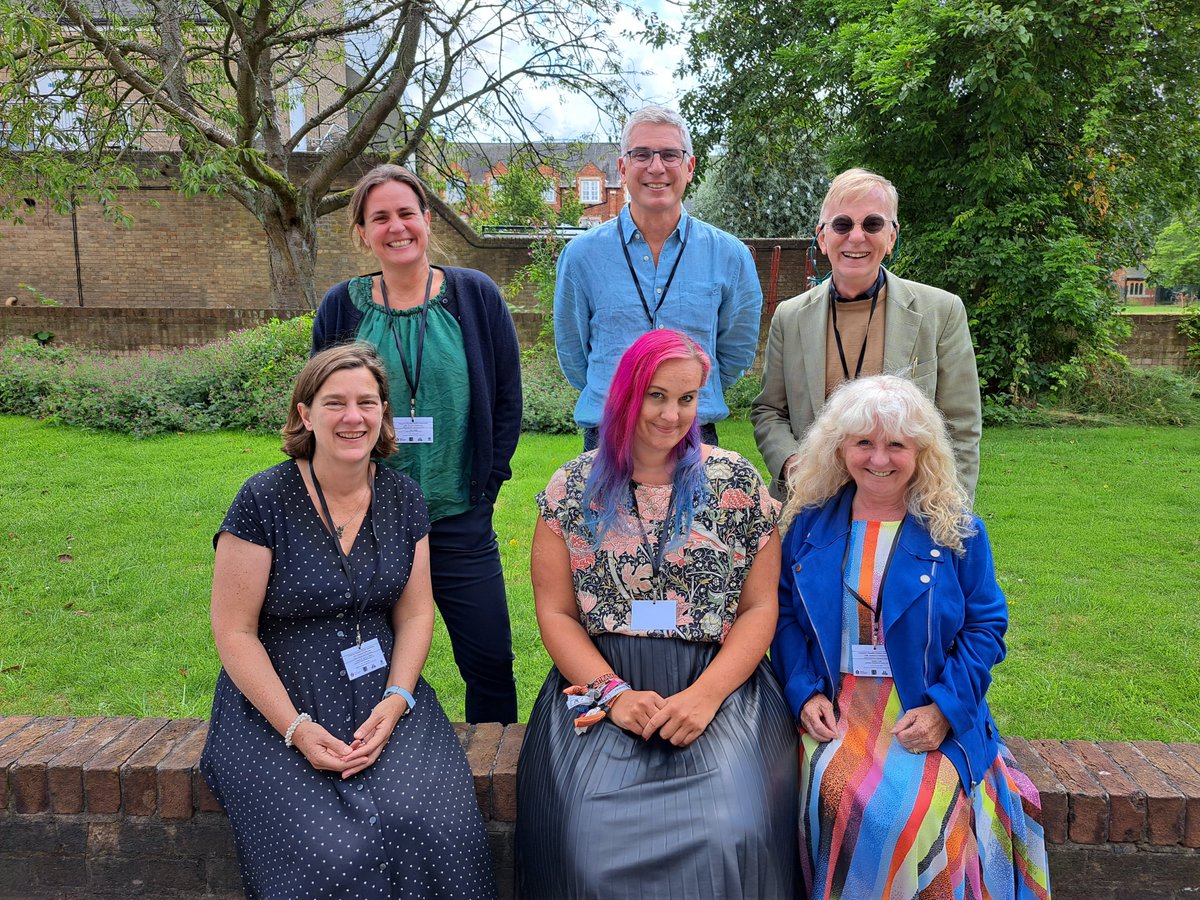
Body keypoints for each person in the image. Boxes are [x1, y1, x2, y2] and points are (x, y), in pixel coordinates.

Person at [200, 344, 497, 898]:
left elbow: (413, 613)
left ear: (384, 412)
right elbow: (233, 631)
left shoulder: (404, 497)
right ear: (304, 414)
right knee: (332, 851)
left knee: (433, 826)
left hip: (382, 691)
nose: (352, 417)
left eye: (367, 402)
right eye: (334, 402)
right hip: (279, 701)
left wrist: (398, 699)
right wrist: (295, 727)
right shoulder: (263, 499)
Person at [517, 329, 798, 898]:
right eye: (657, 395)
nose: (673, 415)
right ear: (626, 394)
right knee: (586, 843)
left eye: (688, 398)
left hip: (718, 686)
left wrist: (705, 696)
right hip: (598, 684)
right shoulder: (570, 489)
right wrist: (612, 695)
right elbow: (556, 613)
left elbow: (760, 605)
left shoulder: (736, 483)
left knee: (729, 831)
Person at [771, 374, 1050, 899]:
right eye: (864, 443)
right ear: (840, 448)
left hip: (920, 704)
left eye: (896, 444)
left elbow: (986, 626)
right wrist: (804, 692)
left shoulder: (956, 529)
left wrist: (946, 709)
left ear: (921, 451)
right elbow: (783, 616)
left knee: (914, 816)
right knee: (836, 799)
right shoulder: (808, 525)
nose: (880, 459)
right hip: (837, 705)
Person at [312, 164, 521, 724]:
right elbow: (323, 407)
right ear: (361, 231)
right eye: (379, 217)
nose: (396, 227)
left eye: (407, 213)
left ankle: (496, 777)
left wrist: (489, 483)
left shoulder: (475, 296)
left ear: (427, 220)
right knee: (365, 666)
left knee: (490, 661)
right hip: (368, 521)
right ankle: (371, 775)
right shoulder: (341, 308)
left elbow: (506, 400)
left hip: (459, 516)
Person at [752, 168, 981, 499]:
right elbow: (769, 411)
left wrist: (950, 514)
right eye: (842, 224)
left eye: (872, 224)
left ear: (891, 237)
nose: (856, 237)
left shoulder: (941, 311)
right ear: (822, 238)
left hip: (907, 508)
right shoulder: (789, 317)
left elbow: (961, 427)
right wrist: (792, 463)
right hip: (812, 506)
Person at [554, 105, 763, 450]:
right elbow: (573, 354)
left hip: (693, 439)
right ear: (622, 167)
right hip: (609, 441)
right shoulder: (580, 257)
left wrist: (689, 392)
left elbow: (735, 354)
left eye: (670, 154)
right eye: (641, 154)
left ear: (689, 166)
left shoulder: (730, 256)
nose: (656, 167)